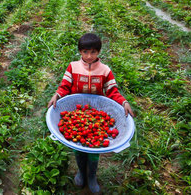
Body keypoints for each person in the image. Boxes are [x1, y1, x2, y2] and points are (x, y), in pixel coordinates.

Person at [47, 33, 134, 193]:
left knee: (94, 151)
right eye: (85, 52)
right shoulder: (73, 67)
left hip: (96, 112)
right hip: (76, 111)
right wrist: (57, 95)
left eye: (93, 52)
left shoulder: (105, 70)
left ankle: (92, 176)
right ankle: (81, 171)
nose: (89, 56)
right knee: (78, 148)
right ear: (80, 51)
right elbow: (65, 86)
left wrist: (124, 102)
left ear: (99, 52)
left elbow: (112, 90)